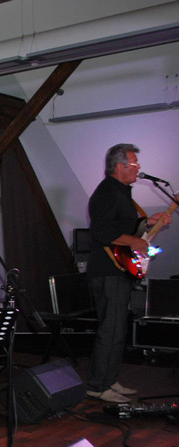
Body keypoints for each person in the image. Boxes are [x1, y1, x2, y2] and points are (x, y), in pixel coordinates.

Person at [86, 143, 170, 404]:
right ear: (120, 166)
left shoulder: (120, 192)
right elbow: (101, 231)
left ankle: (109, 379)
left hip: (117, 270)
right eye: (134, 164)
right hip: (107, 270)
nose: (138, 168)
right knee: (110, 330)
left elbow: (124, 227)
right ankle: (98, 386)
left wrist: (149, 222)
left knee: (118, 329)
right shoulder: (107, 192)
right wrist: (135, 242)